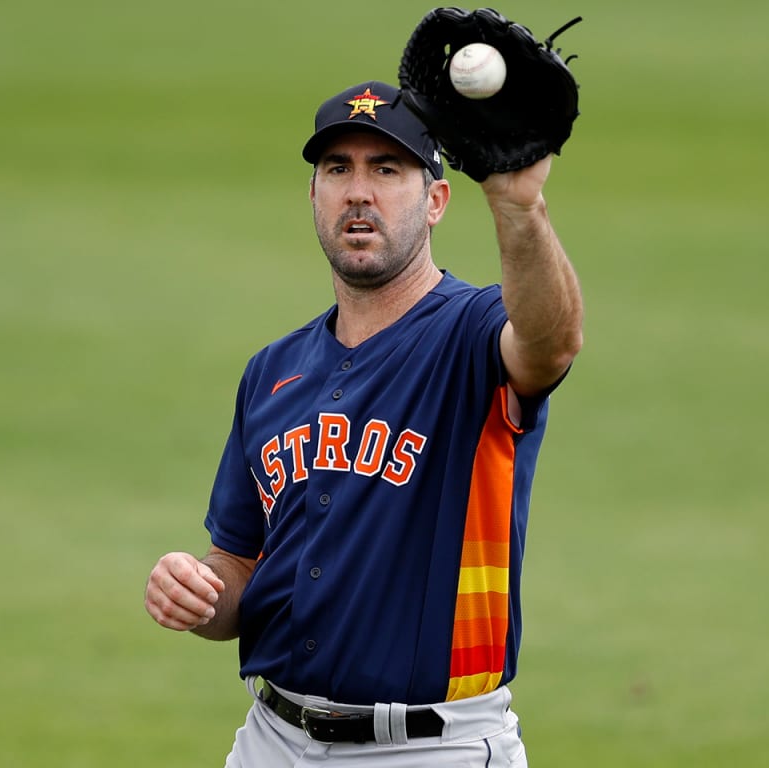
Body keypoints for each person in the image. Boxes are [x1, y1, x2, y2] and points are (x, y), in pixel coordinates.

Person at [144, 79, 584, 767]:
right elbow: (238, 564)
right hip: (272, 741)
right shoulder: (272, 371)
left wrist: (519, 206)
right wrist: (199, 591)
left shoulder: (472, 337)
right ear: (313, 197)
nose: (358, 192)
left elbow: (550, 343)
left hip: (433, 749)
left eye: (387, 169)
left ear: (435, 200)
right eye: (337, 169)